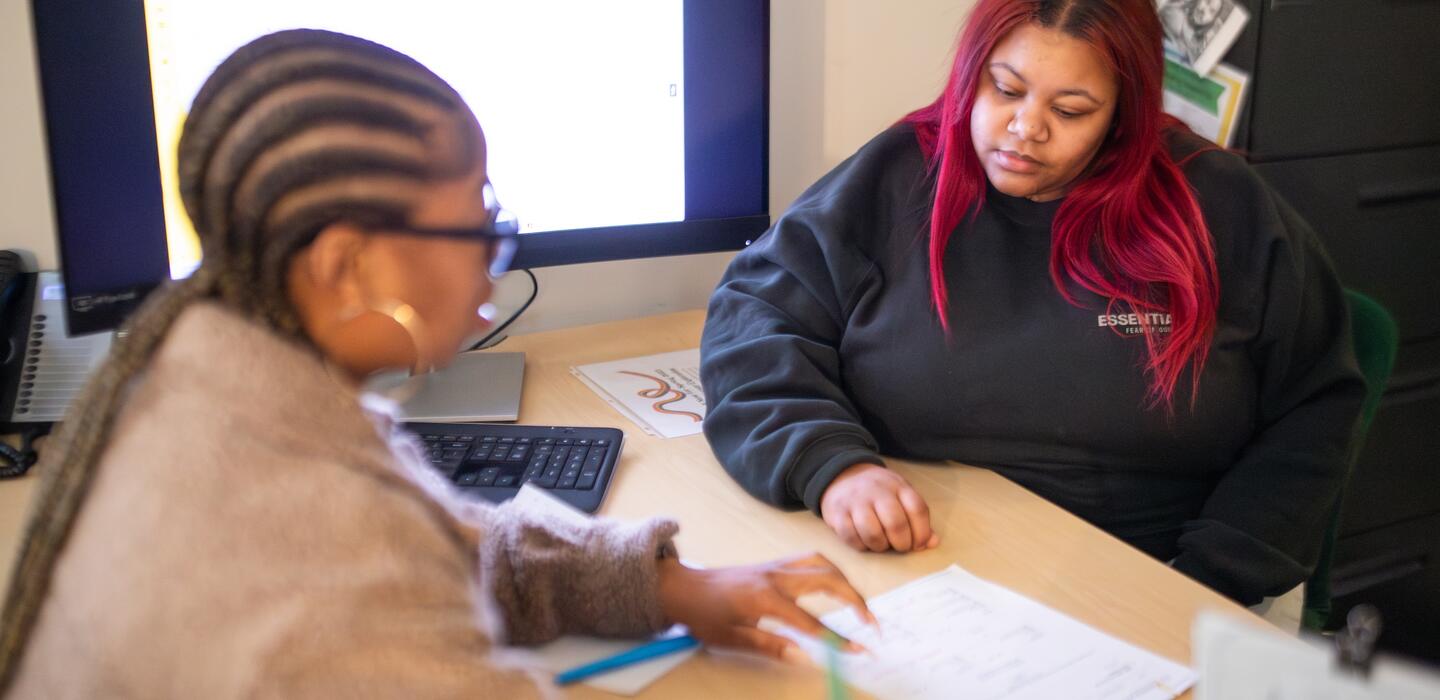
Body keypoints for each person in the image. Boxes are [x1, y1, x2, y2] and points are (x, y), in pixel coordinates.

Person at [0, 29, 872, 696]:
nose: (499, 247)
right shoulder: (308, 542)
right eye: (475, 217)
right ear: (346, 266)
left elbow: (445, 546)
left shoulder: (202, 369)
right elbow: (378, 564)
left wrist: (673, 588)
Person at [701, 0, 1365, 611]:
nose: (1023, 129)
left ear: (1121, 120)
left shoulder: (1221, 209)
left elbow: (1316, 407)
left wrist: (1205, 583)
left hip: (1163, 581)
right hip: (924, 571)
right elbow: (754, 316)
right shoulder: (902, 174)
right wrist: (831, 465)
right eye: (1005, 88)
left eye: (1071, 110)